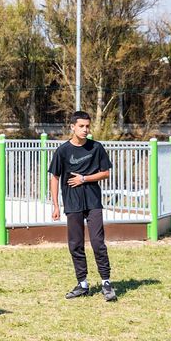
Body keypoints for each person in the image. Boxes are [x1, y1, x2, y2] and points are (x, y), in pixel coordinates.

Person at [48, 111, 117, 301]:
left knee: (97, 242)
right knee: (76, 244)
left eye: (87, 126)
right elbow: (54, 177)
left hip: (93, 201)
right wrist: (55, 205)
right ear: (72, 127)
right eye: (81, 126)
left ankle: (106, 282)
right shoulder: (62, 151)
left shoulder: (96, 148)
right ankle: (82, 284)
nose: (85, 129)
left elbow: (105, 173)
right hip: (72, 202)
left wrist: (84, 179)